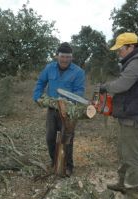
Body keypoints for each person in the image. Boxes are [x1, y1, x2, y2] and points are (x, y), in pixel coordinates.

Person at [98, 32, 138, 198]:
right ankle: (123, 183)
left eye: (120, 49)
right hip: (129, 115)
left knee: (134, 157)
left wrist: (105, 87)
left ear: (131, 47)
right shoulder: (133, 61)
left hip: (136, 118)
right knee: (124, 152)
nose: (118, 52)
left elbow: (122, 84)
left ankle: (132, 192)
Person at [33, 42, 85, 176]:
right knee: (50, 138)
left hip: (69, 112)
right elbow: (40, 83)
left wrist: (69, 103)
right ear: (57, 56)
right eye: (62, 56)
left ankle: (68, 166)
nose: (65, 59)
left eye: (68, 57)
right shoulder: (49, 68)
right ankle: (54, 162)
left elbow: (79, 91)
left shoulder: (78, 72)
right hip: (52, 109)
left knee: (66, 139)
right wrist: (37, 97)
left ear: (71, 57)